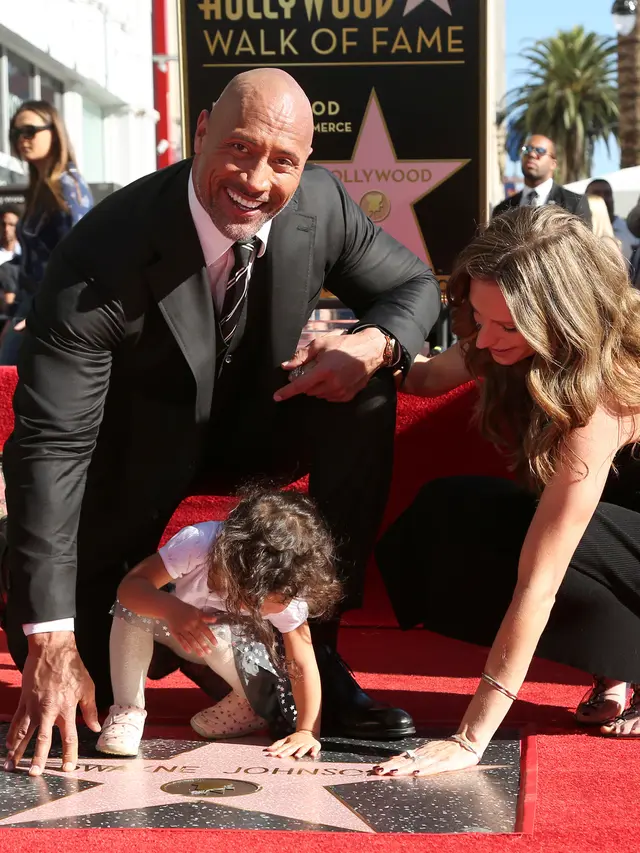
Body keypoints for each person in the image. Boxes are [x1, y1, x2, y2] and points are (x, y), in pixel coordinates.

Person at [2, 68, 441, 777]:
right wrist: (49, 636)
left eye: (282, 161)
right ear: (202, 130)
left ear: (305, 163)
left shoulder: (321, 203)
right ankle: (171, 640)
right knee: (87, 672)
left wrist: (375, 343)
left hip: (257, 428)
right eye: (239, 148)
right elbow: (51, 444)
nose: (256, 179)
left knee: (365, 392)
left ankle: (316, 647)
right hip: (133, 453)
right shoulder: (103, 253)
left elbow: (412, 285)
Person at [373, 205, 640, 780]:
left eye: (510, 327)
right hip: (615, 535)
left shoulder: (603, 394)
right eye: (479, 316)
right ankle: (620, 661)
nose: (486, 339)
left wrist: (469, 739)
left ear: (564, 319)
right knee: (448, 514)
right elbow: (423, 377)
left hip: (622, 541)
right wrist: (360, 350)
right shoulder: (505, 336)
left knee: (550, 542)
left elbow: (540, 581)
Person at [97, 488, 340, 759]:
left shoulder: (289, 589)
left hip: (244, 660)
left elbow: (301, 662)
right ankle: (127, 711)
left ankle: (249, 703)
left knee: (208, 718)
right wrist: (171, 609)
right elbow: (131, 588)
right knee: (134, 607)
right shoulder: (199, 544)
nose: (260, 606)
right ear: (236, 566)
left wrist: (307, 731)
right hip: (179, 632)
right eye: (253, 598)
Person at [0, 101, 92, 365]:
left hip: (53, 309)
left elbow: (80, 259)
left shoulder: (67, 186)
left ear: (54, 132)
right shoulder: (39, 187)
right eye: (16, 133)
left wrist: (44, 314)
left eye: (30, 131)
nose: (22, 139)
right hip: (29, 304)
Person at [493, 134, 591, 223]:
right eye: (527, 149)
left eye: (540, 151)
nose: (531, 154)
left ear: (553, 164)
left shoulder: (574, 204)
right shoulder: (502, 209)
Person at [586, 179, 636, 262]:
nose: (602, 198)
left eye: (607, 193)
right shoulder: (575, 230)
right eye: (596, 193)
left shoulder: (630, 231)